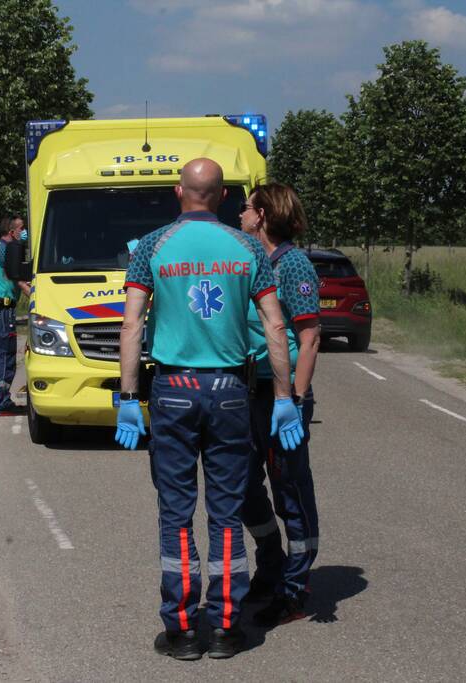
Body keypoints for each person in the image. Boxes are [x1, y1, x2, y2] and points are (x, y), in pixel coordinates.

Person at [116, 159, 305, 661]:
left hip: (172, 388)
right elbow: (273, 326)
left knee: (176, 513)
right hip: (229, 392)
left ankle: (180, 630)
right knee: (225, 513)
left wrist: (128, 398)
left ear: (179, 192)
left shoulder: (151, 246)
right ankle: (225, 627)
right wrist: (284, 398)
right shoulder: (246, 247)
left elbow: (132, 326)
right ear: (222, 196)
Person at [239, 183, 322, 626]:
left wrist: (296, 400)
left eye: (247, 208)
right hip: (251, 391)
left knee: (290, 490)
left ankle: (294, 589)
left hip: (283, 396)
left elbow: (309, 338)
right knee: (244, 483)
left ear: (265, 215)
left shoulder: (292, 264)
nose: (240, 214)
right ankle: (271, 560)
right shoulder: (255, 261)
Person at [0, 215, 31, 416]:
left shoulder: (0, 248)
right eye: (22, 229)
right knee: (4, 355)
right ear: (12, 232)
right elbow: (16, 278)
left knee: (0, 353)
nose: (25, 232)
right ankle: (2, 403)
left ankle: (1, 399)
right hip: (1, 309)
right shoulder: (6, 250)